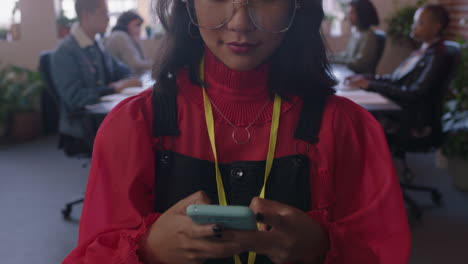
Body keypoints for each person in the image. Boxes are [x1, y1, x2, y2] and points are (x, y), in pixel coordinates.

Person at [63, 0, 410, 263]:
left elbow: (384, 251)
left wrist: (322, 247)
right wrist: (149, 248)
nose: (241, 23)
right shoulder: (135, 125)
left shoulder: (347, 129)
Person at [347, 4, 451, 144]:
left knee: (355, 118)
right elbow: (395, 78)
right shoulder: (423, 50)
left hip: (413, 118)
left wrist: (370, 84)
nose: (413, 26)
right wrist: (367, 78)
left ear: (437, 26)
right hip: (401, 108)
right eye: (415, 22)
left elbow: (414, 93)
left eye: (420, 23)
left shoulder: (437, 55)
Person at [51, 0, 141, 150]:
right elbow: (76, 98)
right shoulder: (65, 52)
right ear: (86, 15)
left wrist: (128, 79)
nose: (108, 18)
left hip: (103, 116)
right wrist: (114, 88)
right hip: (85, 124)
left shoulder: (98, 45)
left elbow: (122, 70)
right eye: (104, 13)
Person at [331, 0, 380, 74]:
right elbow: (347, 55)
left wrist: (333, 61)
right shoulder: (356, 32)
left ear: (362, 13)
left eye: (352, 13)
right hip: (350, 73)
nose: (348, 15)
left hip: (359, 78)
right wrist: (330, 58)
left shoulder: (369, 36)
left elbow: (358, 64)